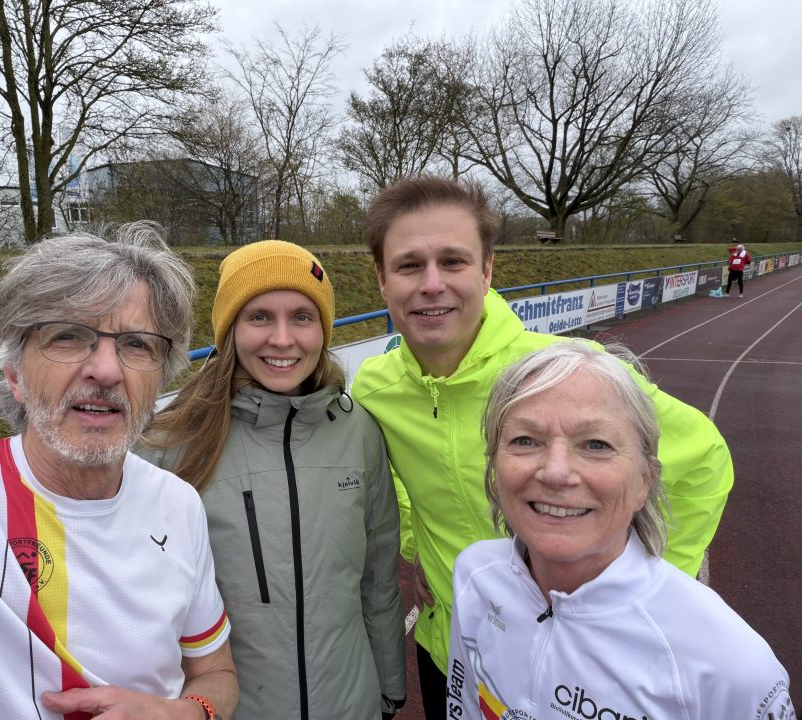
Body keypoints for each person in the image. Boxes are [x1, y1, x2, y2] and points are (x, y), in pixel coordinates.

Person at [350, 175, 734, 717]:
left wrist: (645, 587)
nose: (432, 284)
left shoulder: (565, 373)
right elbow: (394, 481)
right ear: (382, 280)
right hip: (452, 648)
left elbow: (705, 458)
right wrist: (424, 554)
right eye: (409, 265)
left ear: (486, 271)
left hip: (578, 663)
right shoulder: (374, 389)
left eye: (454, 262)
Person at [0, 224, 238, 720]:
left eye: (137, 345)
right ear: (15, 376)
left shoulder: (178, 503)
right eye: (67, 336)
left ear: (160, 378)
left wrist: (184, 714)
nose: (106, 370)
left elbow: (215, 673)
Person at [447, 340, 793, 719]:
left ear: (645, 480)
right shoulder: (474, 575)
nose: (556, 472)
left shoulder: (731, 666)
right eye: (525, 440)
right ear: (494, 468)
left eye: (596, 445)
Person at [139, 240, 406, 720]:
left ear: (322, 329)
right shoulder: (167, 445)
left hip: (353, 704)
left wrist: (390, 689)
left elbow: (378, 580)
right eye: (259, 316)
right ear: (230, 330)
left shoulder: (359, 432)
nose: (282, 340)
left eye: (302, 317)